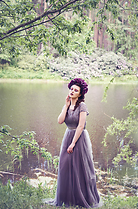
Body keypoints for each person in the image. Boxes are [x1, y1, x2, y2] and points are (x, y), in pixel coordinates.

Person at [47, 78, 102, 208]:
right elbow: (60, 121)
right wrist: (65, 105)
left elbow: (81, 126)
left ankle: (82, 198)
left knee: (81, 168)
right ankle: (66, 198)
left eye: (76, 90)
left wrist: (73, 144)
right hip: (68, 136)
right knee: (65, 166)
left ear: (80, 94)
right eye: (71, 89)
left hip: (79, 138)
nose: (72, 91)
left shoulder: (82, 106)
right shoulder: (67, 105)